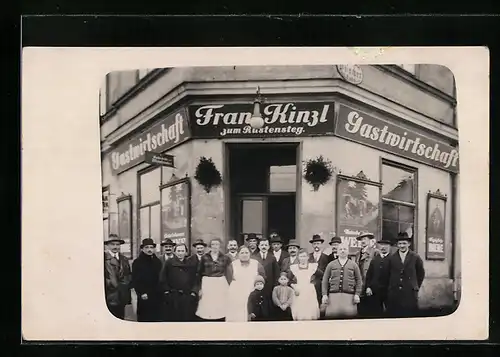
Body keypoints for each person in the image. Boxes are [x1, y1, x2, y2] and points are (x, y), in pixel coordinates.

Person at [381, 232, 426, 318]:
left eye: (404, 243)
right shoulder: (391, 258)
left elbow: (421, 274)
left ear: (409, 244)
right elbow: (386, 275)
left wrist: (414, 286)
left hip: (410, 294)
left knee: (410, 316)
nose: (402, 246)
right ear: (397, 245)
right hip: (394, 294)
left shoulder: (415, 257)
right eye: (400, 243)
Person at [194, 238, 233, 322]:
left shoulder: (225, 258)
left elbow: (229, 272)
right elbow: (199, 273)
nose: (215, 246)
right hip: (208, 282)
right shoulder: (204, 257)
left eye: (217, 244)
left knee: (220, 304)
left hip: (220, 282)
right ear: (210, 246)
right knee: (208, 305)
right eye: (213, 244)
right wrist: (199, 288)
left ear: (220, 246)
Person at [321, 243, 363, 319]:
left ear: (348, 251)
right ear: (337, 251)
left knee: (349, 320)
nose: (342, 251)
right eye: (340, 249)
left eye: (344, 249)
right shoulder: (331, 264)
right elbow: (325, 280)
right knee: (332, 320)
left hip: (349, 297)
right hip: (333, 297)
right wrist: (324, 294)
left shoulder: (354, 265)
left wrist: (357, 294)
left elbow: (359, 280)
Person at [226, 245, 266, 322]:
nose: (244, 254)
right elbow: (228, 279)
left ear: (250, 254)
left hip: (252, 292)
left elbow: (262, 277)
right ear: (238, 254)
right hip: (237, 294)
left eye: (246, 252)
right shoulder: (233, 264)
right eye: (242, 253)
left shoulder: (256, 264)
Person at [160, 243, 198, 322]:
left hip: (187, 296)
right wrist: (167, 292)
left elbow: (195, 279)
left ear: (186, 252)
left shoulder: (191, 263)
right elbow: (163, 278)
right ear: (175, 252)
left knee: (186, 318)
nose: (180, 253)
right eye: (178, 251)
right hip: (173, 296)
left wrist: (193, 292)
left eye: (182, 251)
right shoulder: (169, 263)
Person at [131, 238, 163, 322]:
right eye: (147, 247)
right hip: (145, 296)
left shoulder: (157, 262)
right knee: (145, 317)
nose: (149, 249)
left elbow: (160, 278)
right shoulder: (137, 262)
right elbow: (135, 280)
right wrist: (142, 292)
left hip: (157, 295)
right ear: (142, 249)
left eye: (151, 247)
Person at [287, 249, 322, 321]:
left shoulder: (312, 267)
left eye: (304, 256)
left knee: (309, 310)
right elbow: (288, 280)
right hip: (299, 290)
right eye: (301, 256)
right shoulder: (294, 268)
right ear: (298, 257)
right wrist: (294, 286)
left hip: (309, 290)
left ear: (308, 257)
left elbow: (321, 275)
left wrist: (314, 282)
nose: (303, 258)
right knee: (299, 310)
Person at [104, 234, 132, 320]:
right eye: (113, 244)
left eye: (117, 244)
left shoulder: (124, 259)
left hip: (122, 296)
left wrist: (126, 285)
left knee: (121, 318)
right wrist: (110, 284)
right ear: (107, 245)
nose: (115, 247)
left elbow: (128, 274)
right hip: (110, 296)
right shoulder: (103, 259)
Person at [364, 239, 393, 317]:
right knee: (375, 312)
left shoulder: (393, 259)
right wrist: (368, 287)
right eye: (381, 245)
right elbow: (369, 274)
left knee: (389, 313)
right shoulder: (375, 259)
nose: (383, 247)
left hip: (388, 291)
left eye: (386, 245)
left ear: (389, 247)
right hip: (375, 291)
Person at [354, 232, 380, 317]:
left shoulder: (375, 252)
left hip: (370, 285)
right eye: (361, 239)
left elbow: (377, 271)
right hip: (360, 285)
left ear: (369, 240)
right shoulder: (358, 254)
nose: (363, 241)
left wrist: (371, 286)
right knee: (361, 309)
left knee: (371, 310)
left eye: (365, 239)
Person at [308, 234, 330, 307]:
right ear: (312, 245)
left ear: (321, 245)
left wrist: (315, 269)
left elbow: (327, 273)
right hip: (310, 284)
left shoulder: (326, 257)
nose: (316, 245)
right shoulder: (308, 257)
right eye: (314, 244)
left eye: (318, 243)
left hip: (321, 285)